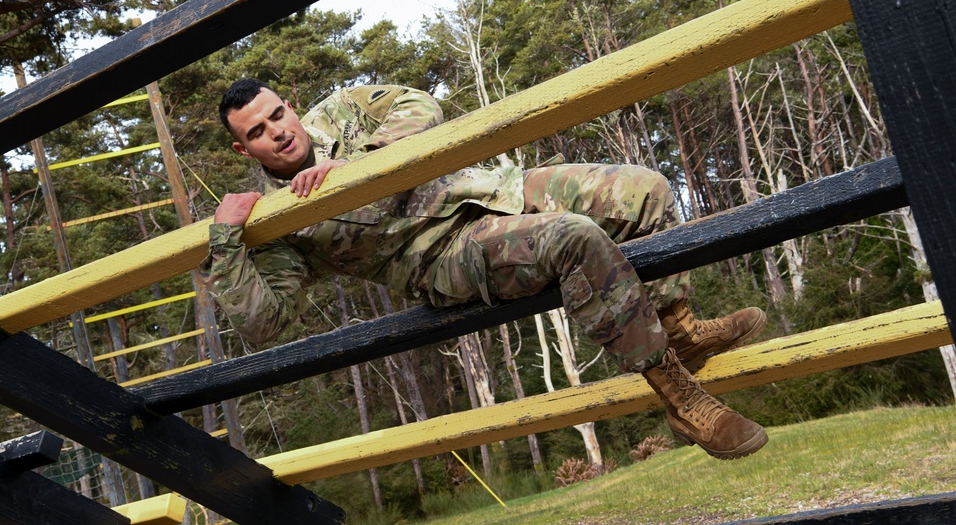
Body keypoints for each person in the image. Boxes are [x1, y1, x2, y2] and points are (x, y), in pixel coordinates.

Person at [201, 79, 769, 459]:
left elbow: (422, 106)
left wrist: (360, 161)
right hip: (449, 256)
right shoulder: (275, 220)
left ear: (290, 105)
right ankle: (682, 400)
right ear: (244, 151)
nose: (278, 131)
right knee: (574, 238)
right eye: (257, 132)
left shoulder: (342, 111)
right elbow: (266, 324)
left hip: (495, 190)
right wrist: (227, 239)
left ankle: (680, 333)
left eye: (278, 114)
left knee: (649, 191)